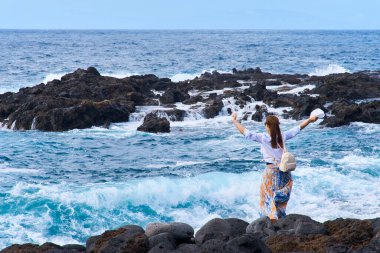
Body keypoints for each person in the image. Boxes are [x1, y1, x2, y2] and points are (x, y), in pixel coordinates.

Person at [231, 112, 318, 221]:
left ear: (267, 125)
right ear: (277, 125)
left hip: (271, 172)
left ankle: (271, 218)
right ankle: (280, 216)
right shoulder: (283, 136)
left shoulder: (262, 137)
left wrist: (234, 121)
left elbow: (246, 132)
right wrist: (310, 120)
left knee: (268, 195)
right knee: (279, 194)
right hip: (284, 170)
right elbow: (297, 129)